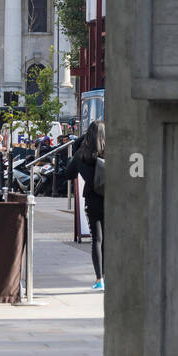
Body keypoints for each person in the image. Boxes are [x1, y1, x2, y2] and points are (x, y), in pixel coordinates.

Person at [64, 119, 105, 290]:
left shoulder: (82, 154)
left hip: (92, 200)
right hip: (112, 199)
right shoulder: (112, 151)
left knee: (97, 239)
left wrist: (79, 143)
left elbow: (68, 174)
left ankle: (99, 279)